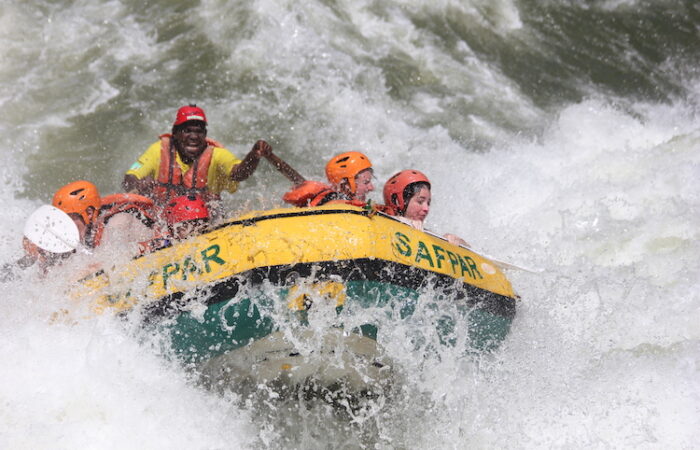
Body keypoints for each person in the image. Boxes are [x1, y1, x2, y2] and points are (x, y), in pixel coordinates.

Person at [122, 104, 272, 216]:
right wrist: (139, 185)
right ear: (175, 133)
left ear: (205, 134)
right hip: (164, 220)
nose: (194, 137)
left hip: (204, 222)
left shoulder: (217, 155)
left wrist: (253, 156)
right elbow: (129, 178)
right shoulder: (158, 150)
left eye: (199, 131)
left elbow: (239, 174)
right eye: (187, 131)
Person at [383, 170, 468, 246]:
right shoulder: (381, 220)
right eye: (420, 202)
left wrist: (455, 241)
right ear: (398, 201)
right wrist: (402, 222)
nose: (426, 209)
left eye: (428, 203)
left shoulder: (426, 232)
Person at [282, 151, 375, 207]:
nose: (371, 187)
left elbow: (299, 180)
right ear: (346, 185)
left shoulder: (324, 196)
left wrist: (270, 156)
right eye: (366, 182)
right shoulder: (336, 204)